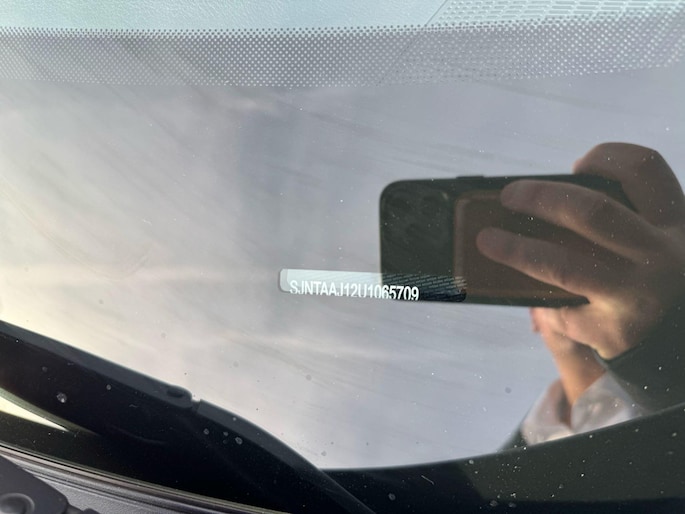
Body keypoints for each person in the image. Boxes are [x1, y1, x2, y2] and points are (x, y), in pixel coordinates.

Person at [476, 142, 685, 445]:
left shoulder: (669, 390)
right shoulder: (505, 460)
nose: (575, 280)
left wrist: (670, 331)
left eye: (599, 257)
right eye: (543, 275)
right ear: (533, 316)